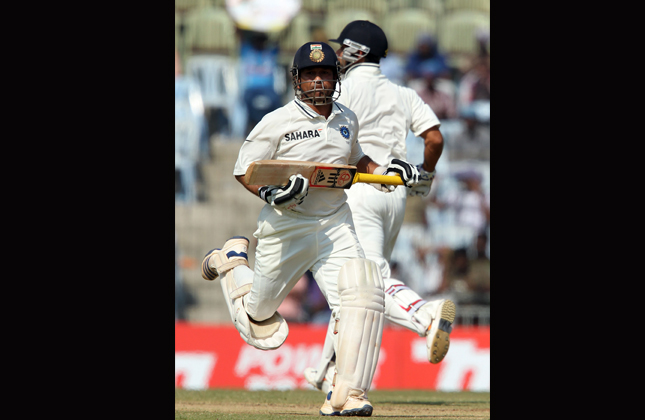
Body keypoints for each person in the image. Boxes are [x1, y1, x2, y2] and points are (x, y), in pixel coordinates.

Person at [200, 41, 423, 417]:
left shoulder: (346, 119)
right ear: (297, 80)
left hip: (335, 222)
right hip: (287, 227)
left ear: (336, 77)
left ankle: (347, 394)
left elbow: (356, 160)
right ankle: (232, 261)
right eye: (310, 74)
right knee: (259, 325)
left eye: (324, 74)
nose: (317, 81)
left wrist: (386, 171)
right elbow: (244, 169)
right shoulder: (278, 121)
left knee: (361, 298)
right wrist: (272, 194)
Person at [303, 20, 457, 395]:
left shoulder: (342, 90)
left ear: (356, 51)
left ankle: (425, 315)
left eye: (342, 48)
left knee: (367, 286)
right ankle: (329, 372)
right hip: (396, 196)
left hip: (359, 191)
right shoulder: (403, 93)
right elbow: (434, 138)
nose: (337, 54)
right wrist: (427, 173)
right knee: (353, 285)